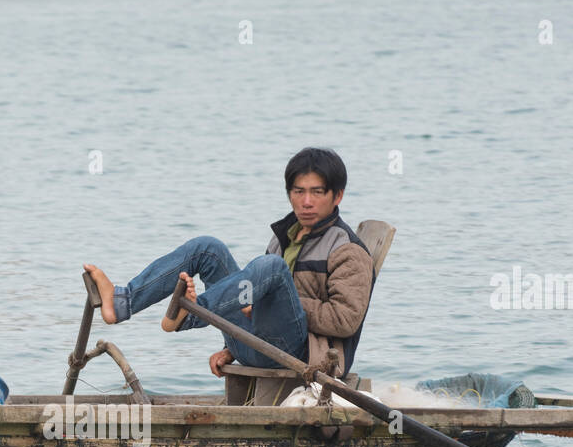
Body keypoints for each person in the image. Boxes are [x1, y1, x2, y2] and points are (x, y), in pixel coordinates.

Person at [83, 147, 375, 378]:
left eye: (317, 192)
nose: (306, 201)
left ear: (337, 196)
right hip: (257, 344)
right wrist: (230, 349)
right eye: (299, 192)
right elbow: (252, 300)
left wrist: (274, 301)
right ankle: (123, 301)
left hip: (300, 358)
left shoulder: (347, 249)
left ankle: (192, 314)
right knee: (208, 248)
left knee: (269, 269)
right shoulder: (284, 236)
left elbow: (345, 320)